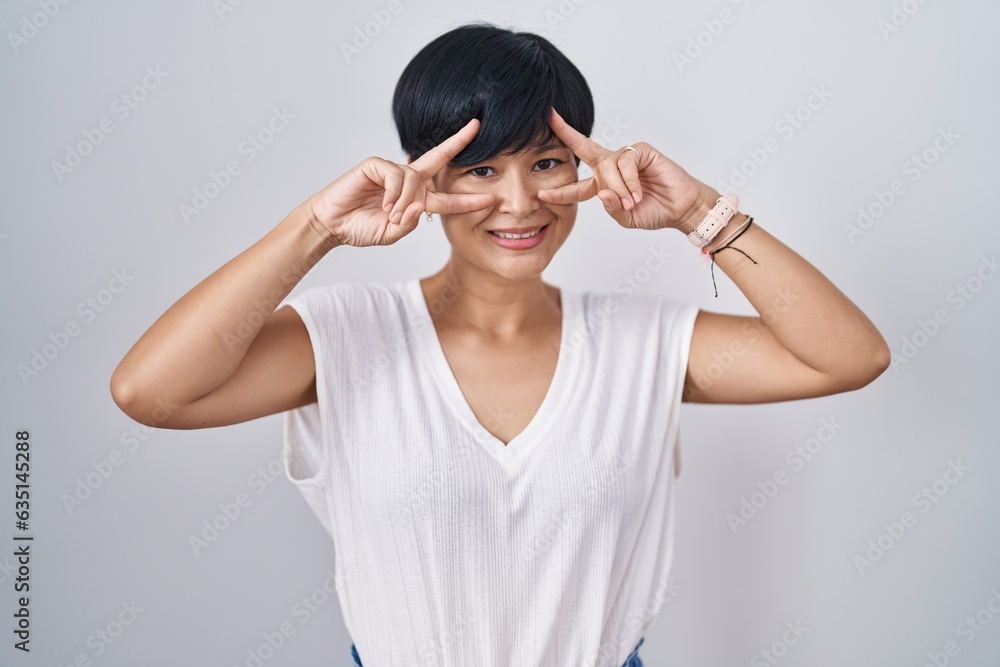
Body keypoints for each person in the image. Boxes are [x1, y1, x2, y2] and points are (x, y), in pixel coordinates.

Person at [110, 21, 889, 667]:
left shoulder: (642, 343)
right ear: (428, 174)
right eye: (480, 169)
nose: (520, 203)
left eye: (546, 163)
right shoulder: (345, 336)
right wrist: (316, 228)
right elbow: (150, 391)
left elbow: (849, 356)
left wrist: (700, 211)